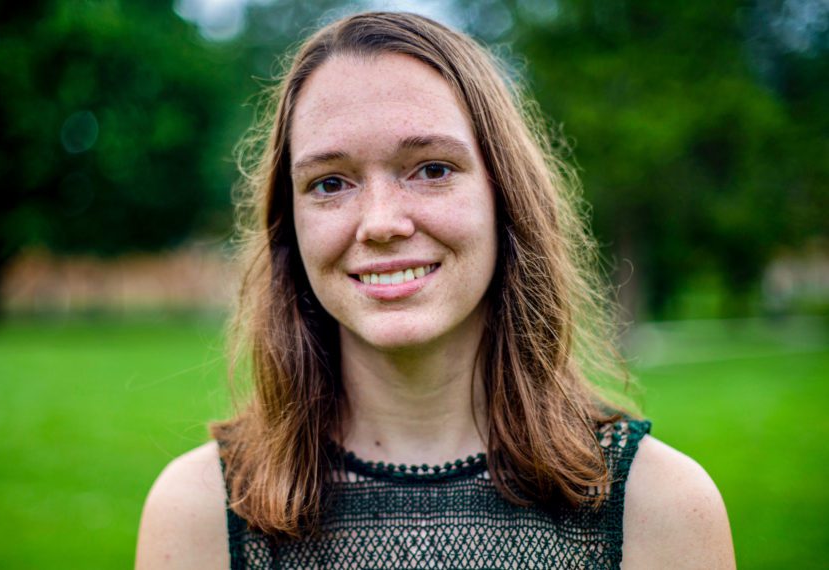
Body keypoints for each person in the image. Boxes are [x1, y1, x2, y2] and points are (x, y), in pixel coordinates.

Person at [136, 11, 735, 569]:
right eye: (330, 183)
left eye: (432, 169)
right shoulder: (200, 514)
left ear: (506, 198)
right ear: (287, 221)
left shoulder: (657, 509)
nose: (380, 223)